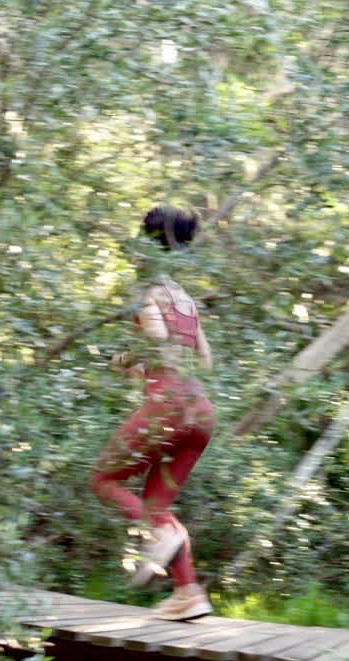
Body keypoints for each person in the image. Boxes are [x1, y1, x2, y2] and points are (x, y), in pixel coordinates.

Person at [89, 206, 216, 621]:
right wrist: (146, 364)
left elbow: (159, 341)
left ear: (147, 243)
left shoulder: (148, 292)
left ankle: (161, 538)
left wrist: (124, 358)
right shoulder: (185, 298)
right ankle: (188, 594)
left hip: (168, 407)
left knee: (103, 479)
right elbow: (205, 359)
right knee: (155, 505)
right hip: (199, 412)